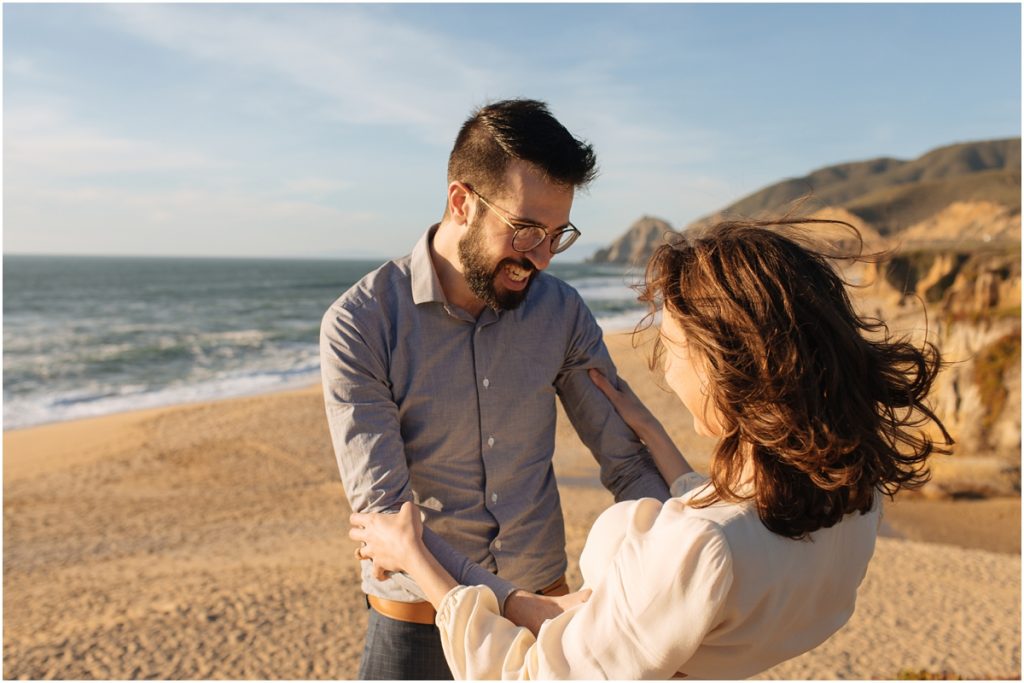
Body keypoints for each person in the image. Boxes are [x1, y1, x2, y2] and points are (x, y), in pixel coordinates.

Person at [349, 219, 954, 679]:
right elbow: (747, 534)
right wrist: (658, 440)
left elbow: (530, 675)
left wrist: (419, 560)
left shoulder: (697, 550)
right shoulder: (854, 496)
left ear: (726, 368)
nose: (664, 376)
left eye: (673, 349)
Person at [319, 99, 672, 680]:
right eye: (526, 229)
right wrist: (513, 604)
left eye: (558, 235)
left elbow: (626, 460)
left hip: (547, 609)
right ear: (461, 202)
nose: (539, 257)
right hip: (417, 619)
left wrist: (679, 556)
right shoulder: (361, 323)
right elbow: (386, 518)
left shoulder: (561, 312)